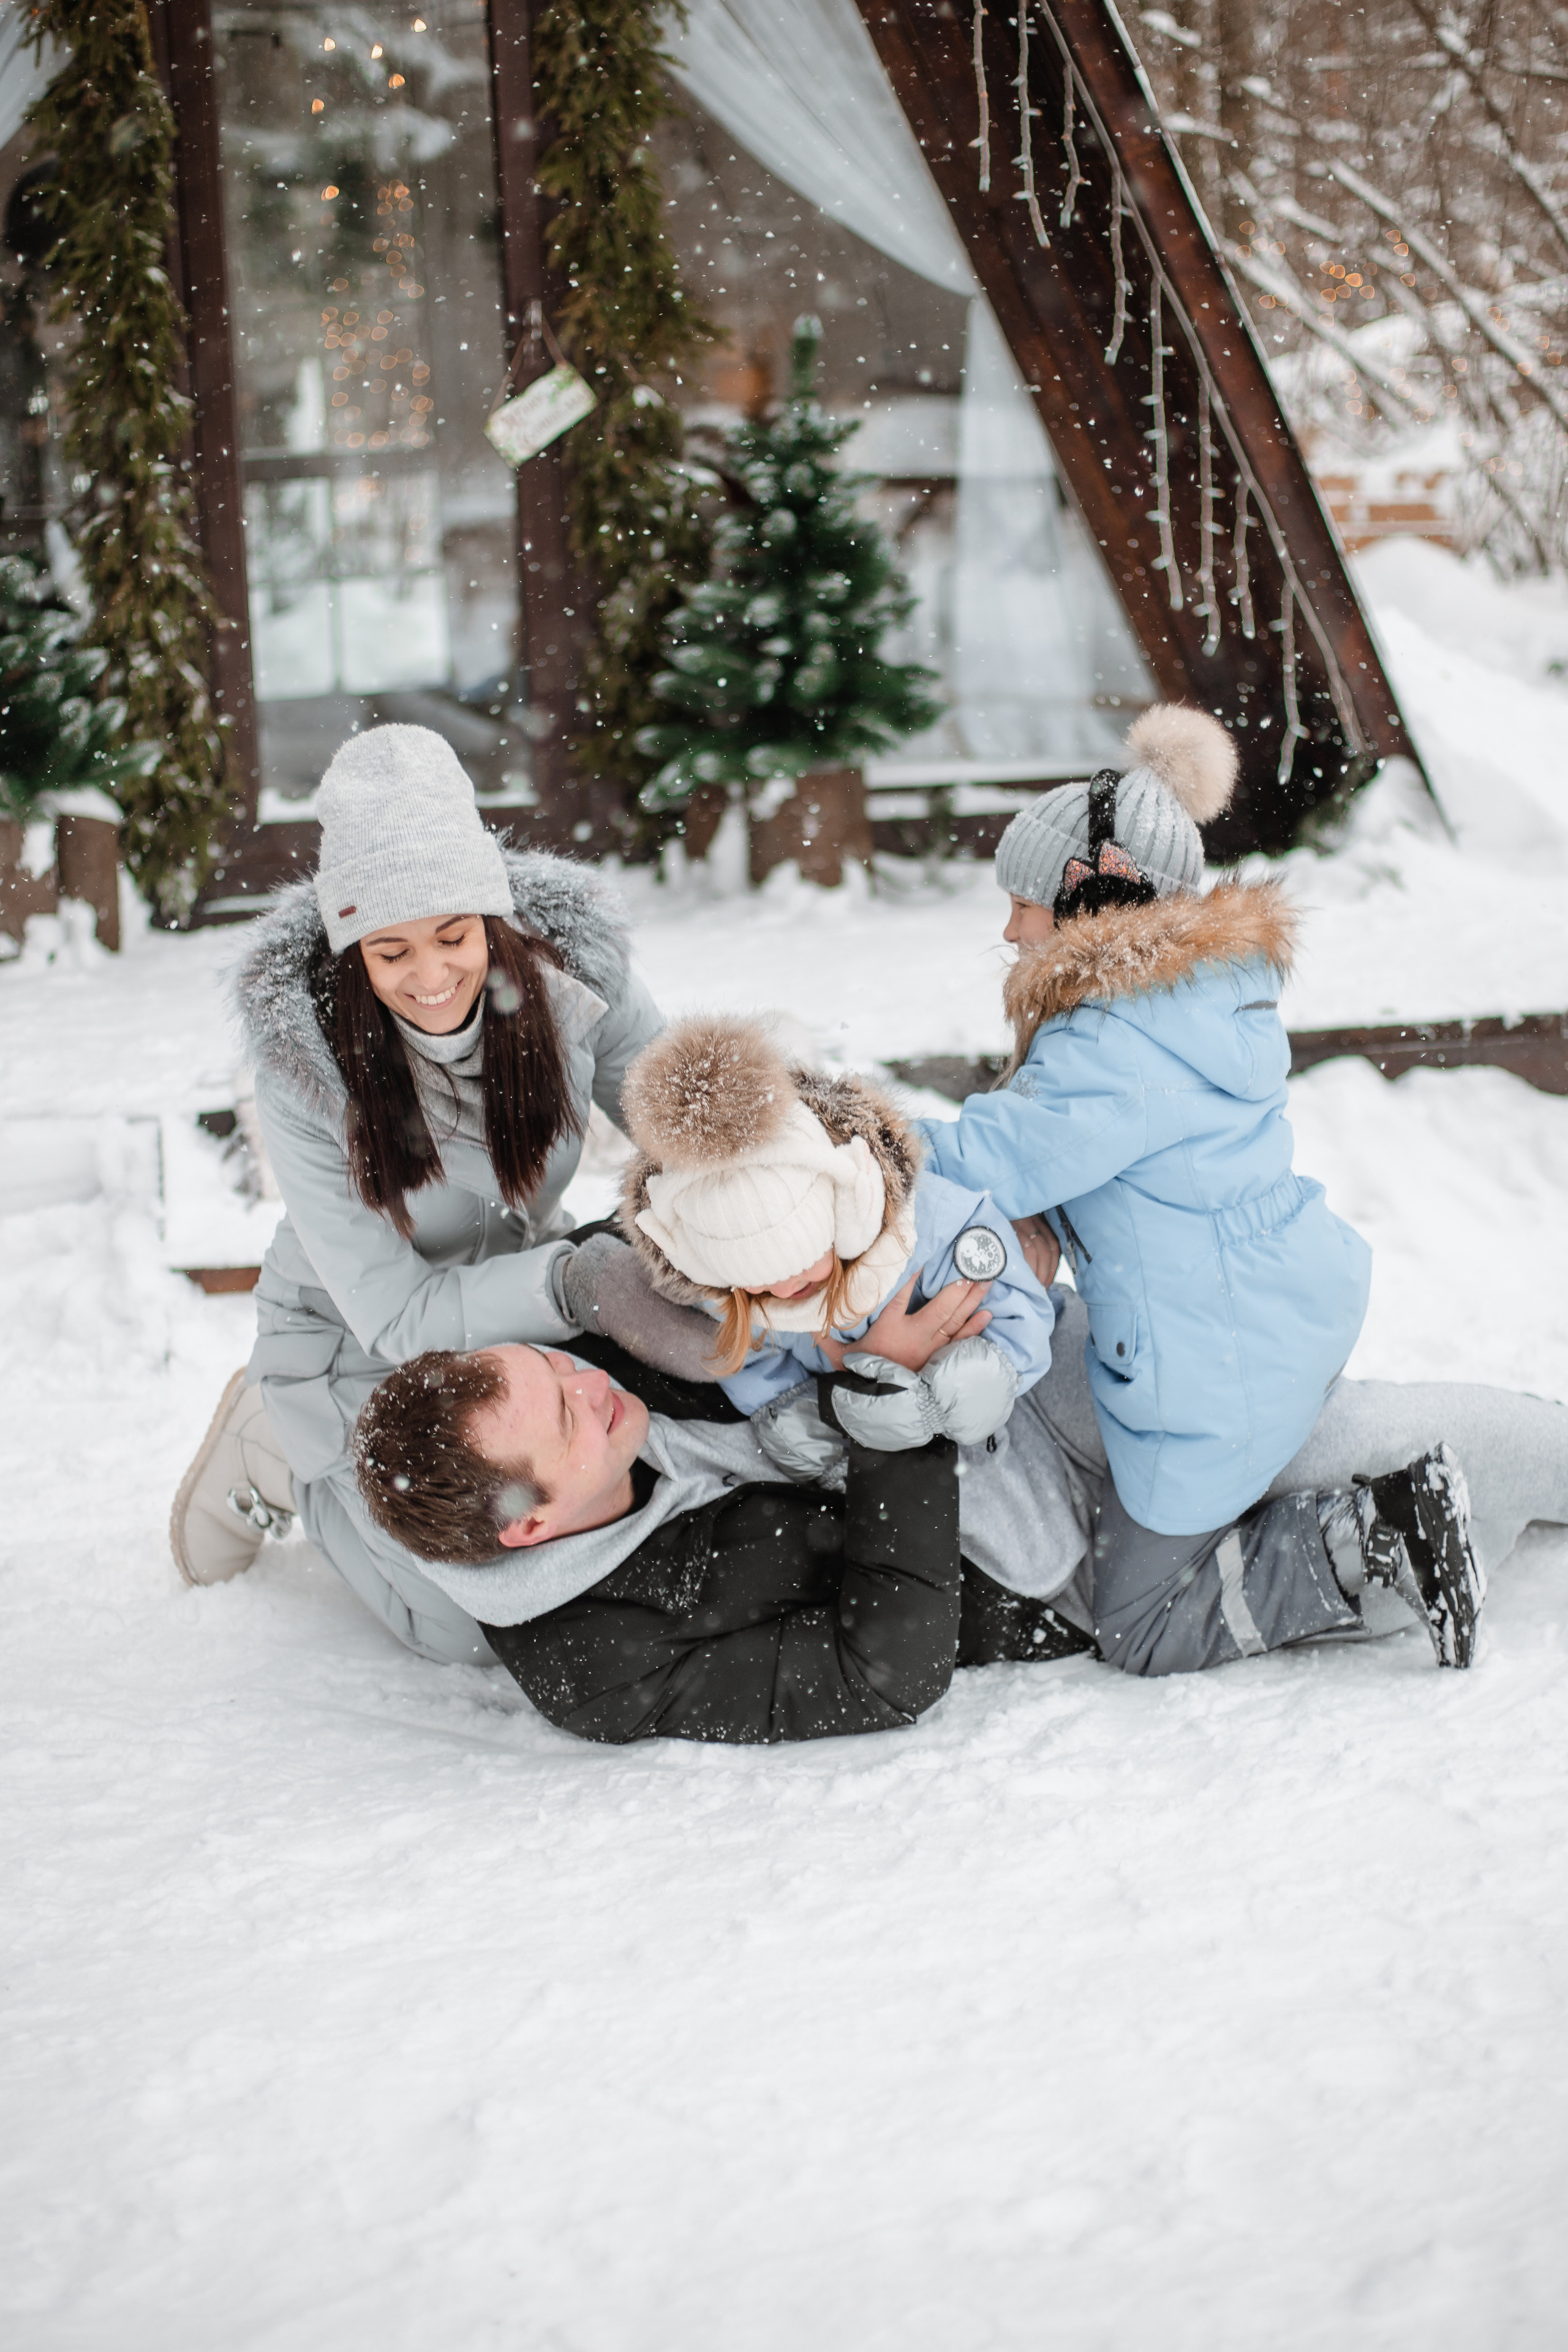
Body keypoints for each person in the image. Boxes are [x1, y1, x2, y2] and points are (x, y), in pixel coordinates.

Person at [348, 1241, 1568, 1741]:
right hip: (1049, 1554)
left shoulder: (584, 1385)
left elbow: (665, 1246)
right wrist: (892, 1414)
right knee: (1423, 1454)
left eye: (550, 1371)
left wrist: (616, 1276)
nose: (581, 1387)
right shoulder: (603, 1664)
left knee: (1328, 1413)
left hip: (1007, 1374)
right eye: (561, 1418)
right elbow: (883, 1672)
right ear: (535, 1524)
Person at [911, 704, 1485, 1665]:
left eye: (1026, 902)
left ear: (1098, 902)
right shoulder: (1185, 1002)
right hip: (1272, 1296)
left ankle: (1373, 1531)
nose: (1008, 928)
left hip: (1215, 1357)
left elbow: (989, 1155)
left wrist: (856, 1146)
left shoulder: (1114, 1046)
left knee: (1142, 1624)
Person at [168, 722, 669, 1663]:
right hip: (358, 1339)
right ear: (352, 949)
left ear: (492, 916)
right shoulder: (307, 1065)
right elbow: (396, 1312)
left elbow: (676, 1115)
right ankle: (276, 1442)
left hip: (519, 1331)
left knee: (596, 1530)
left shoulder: (572, 981)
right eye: (391, 952)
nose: (432, 976)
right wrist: (568, 1287)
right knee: (472, 1629)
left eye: (453, 935)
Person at [612, 1014, 1055, 1455]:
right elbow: (762, 1381)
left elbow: (1020, 1330)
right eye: (755, 1279)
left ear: (839, 1213)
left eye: (800, 1257)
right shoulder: (729, 1299)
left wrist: (943, 1393)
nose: (785, 1288)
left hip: (1000, 1442)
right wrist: (833, 1412)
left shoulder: (935, 1234)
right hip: (878, 1461)